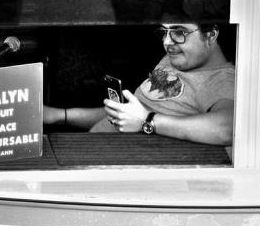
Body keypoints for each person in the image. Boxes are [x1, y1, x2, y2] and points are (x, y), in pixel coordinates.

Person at [43, 17, 234, 146]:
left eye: (179, 32)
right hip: (91, 148)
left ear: (211, 35)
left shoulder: (221, 80)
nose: (167, 42)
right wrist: (61, 115)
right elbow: (128, 115)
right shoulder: (174, 61)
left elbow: (227, 128)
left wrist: (147, 121)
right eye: (164, 32)